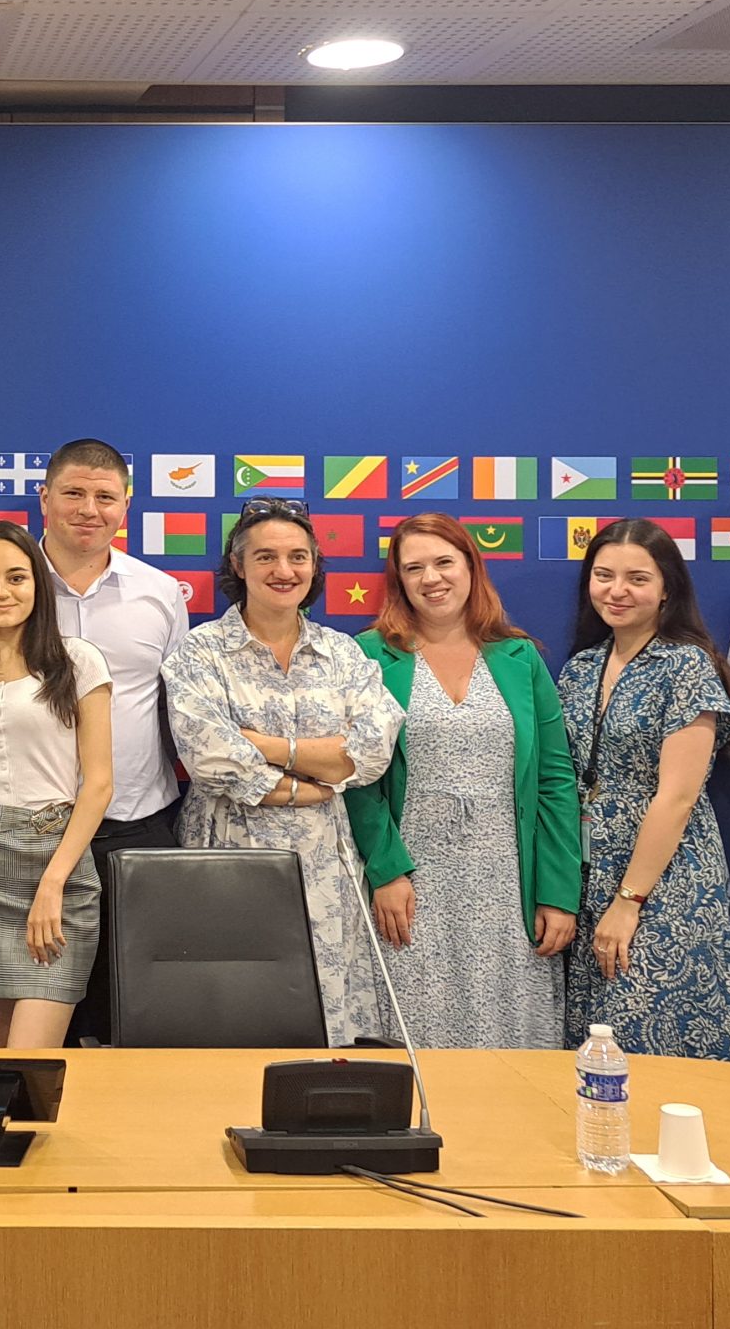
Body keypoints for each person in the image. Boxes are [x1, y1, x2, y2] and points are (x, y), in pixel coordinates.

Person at [163, 501, 402, 1048]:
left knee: (325, 1013)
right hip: (226, 856)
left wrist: (265, 745)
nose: (283, 570)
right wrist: (308, 782)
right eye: (265, 556)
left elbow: (370, 752)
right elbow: (210, 758)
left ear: (315, 566)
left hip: (326, 863)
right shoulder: (200, 652)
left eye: (298, 557)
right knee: (229, 1006)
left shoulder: (343, 654)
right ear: (238, 565)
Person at [345, 514, 580, 1049]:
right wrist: (386, 871)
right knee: (419, 1028)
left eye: (444, 562)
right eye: (414, 568)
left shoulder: (519, 656)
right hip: (412, 882)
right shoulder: (370, 654)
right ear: (399, 580)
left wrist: (558, 893)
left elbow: (554, 780)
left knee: (510, 1034)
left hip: (507, 884)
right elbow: (359, 777)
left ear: (471, 567)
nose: (431, 578)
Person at [557, 519, 730, 1060]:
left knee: (648, 1030)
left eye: (637, 578)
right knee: (593, 1045)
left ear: (667, 589)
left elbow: (677, 797)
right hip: (588, 878)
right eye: (604, 576)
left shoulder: (685, 667)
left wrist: (629, 902)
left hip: (664, 881)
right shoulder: (580, 668)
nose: (617, 591)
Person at [0, 520, 112, 1049]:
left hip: (55, 867)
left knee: (31, 1062)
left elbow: (99, 784)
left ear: (38, 584)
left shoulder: (78, 660)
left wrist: (53, 884)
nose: (2, 592)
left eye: (16, 577)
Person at [35, 437, 188, 1045]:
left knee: (134, 1019)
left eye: (105, 497)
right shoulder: (6, 585)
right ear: (44, 498)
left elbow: (182, 711)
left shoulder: (160, 592)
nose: (88, 510)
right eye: (73, 493)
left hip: (135, 826)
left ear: (126, 505)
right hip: (32, 830)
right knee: (36, 1009)